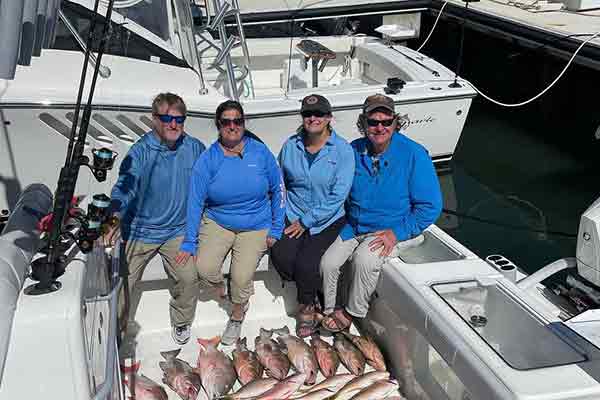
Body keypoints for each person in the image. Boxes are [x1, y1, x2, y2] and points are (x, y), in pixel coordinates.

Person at [320, 94, 443, 331]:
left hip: (392, 228)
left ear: (396, 123)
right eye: (373, 122)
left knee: (364, 259)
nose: (379, 127)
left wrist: (397, 233)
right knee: (328, 263)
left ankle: (352, 312)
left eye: (386, 122)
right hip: (354, 226)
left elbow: (430, 207)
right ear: (363, 123)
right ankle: (329, 308)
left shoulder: (415, 154)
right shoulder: (353, 150)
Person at [177, 100, 285, 345]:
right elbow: (195, 201)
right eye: (226, 121)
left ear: (244, 123)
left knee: (241, 276)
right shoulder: (208, 159)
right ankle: (221, 288)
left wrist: (276, 227)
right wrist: (189, 241)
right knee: (203, 268)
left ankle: (237, 313)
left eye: (238, 121)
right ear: (218, 125)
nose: (232, 126)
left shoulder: (260, 152)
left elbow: (279, 190)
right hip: (218, 221)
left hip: (256, 224)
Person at [106, 92, 206, 345]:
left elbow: (212, 179)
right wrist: (115, 215)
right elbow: (124, 188)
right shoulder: (139, 152)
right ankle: (115, 335)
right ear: (154, 119)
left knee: (188, 277)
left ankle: (181, 321)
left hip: (177, 231)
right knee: (122, 284)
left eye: (179, 119)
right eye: (166, 118)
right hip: (140, 231)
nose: (173, 125)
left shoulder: (194, 148)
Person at [270, 94, 354, 338]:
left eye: (318, 114)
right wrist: (279, 215)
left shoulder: (342, 150)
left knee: (308, 263)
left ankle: (306, 307)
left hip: (328, 218)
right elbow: (279, 183)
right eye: (308, 114)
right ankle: (317, 296)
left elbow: (338, 196)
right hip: (293, 211)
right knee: (281, 255)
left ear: (329, 118)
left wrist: (306, 222)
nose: (313, 118)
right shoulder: (290, 145)